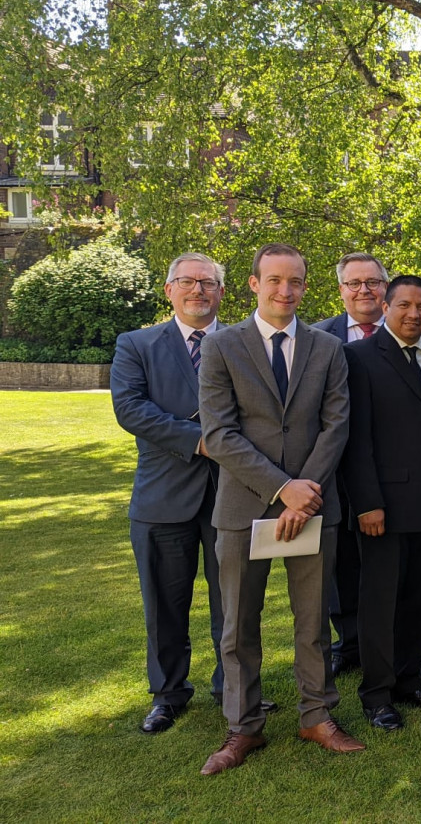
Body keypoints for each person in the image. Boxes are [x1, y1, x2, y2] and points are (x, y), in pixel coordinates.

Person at [198, 243, 362, 775]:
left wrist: (304, 491)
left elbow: (336, 425)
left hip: (314, 506)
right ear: (253, 284)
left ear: (305, 288)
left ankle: (317, 716)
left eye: (294, 282)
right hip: (243, 508)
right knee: (238, 625)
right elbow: (219, 433)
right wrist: (282, 488)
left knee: (312, 622)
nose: (284, 291)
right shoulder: (222, 347)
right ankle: (242, 728)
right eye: (274, 280)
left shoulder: (327, 348)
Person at [111, 252, 264, 733]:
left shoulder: (245, 343)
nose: (198, 290)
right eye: (188, 282)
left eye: (208, 283)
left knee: (235, 603)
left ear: (223, 291)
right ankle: (168, 693)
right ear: (169, 289)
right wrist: (199, 441)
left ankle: (233, 689)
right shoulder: (137, 344)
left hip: (233, 494)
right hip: (164, 495)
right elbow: (131, 408)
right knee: (165, 602)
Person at [340, 275, 421, 731]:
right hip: (382, 509)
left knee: (417, 600)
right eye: (405, 304)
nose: (414, 314)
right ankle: (376, 694)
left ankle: (410, 680)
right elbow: (356, 439)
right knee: (380, 603)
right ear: (386, 306)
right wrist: (367, 502)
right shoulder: (360, 358)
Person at [312, 251, 391, 678]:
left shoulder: (412, 333)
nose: (365, 290)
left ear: (385, 287)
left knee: (387, 562)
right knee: (340, 563)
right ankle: (349, 643)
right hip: (332, 470)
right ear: (341, 289)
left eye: (373, 282)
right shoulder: (316, 337)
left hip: (391, 469)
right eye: (354, 283)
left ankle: (394, 644)